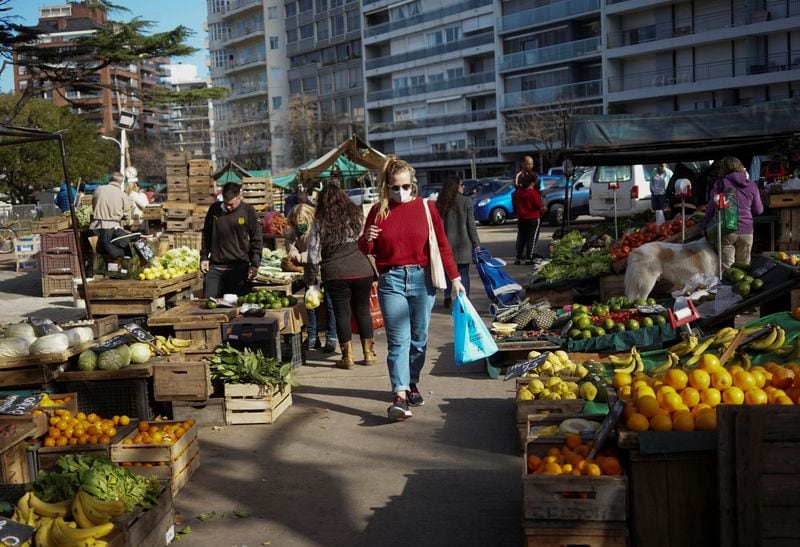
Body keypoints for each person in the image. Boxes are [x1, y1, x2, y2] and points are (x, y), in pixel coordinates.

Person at [359, 156, 464, 422]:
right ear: (387, 186)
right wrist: (366, 239)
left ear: (413, 184)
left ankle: (412, 381)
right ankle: (400, 395)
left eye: (406, 186)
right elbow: (367, 248)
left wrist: (455, 278)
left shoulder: (427, 208)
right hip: (391, 280)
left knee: (419, 339)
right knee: (398, 342)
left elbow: (442, 245)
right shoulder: (378, 211)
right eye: (395, 187)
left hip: (421, 279)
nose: (401, 192)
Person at [307, 183, 376, 369]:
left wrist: (312, 279)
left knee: (342, 314)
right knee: (363, 311)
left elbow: (313, 254)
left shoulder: (319, 222)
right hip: (362, 269)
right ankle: (369, 354)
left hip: (335, 272)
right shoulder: (356, 216)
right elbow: (364, 240)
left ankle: (348, 357)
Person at [285, 193, 338, 353]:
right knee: (311, 304)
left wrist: (301, 256)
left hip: (325, 272)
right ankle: (313, 337)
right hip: (310, 274)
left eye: (302, 223)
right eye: (296, 224)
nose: (299, 226)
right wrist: (292, 250)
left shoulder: (318, 229)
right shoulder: (295, 231)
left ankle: (331, 337)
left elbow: (319, 251)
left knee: (329, 305)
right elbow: (289, 241)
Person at [200, 182, 263, 298]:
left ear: (239, 197)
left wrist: (255, 264)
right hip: (216, 267)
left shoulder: (248, 211)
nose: (228, 207)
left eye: (231, 204)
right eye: (226, 203)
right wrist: (204, 257)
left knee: (237, 304)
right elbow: (206, 234)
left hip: (239, 268)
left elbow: (257, 239)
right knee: (209, 301)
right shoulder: (214, 209)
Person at [701, 156, 764, 268]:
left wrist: (705, 226)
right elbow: (758, 210)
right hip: (746, 231)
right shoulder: (752, 185)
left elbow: (711, 208)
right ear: (741, 167)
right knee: (744, 267)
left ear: (723, 169)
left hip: (727, 230)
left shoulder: (720, 184)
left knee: (727, 269)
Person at [436, 175, 481, 308]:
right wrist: (476, 243)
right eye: (461, 185)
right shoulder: (466, 201)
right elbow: (471, 225)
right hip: (463, 244)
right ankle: (463, 299)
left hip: (445, 244)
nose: (463, 187)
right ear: (456, 186)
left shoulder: (440, 202)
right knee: (463, 273)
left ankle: (447, 297)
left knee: (448, 272)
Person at [89, 172, 134, 259]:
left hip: (95, 227)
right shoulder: (122, 194)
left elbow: (94, 206)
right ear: (121, 182)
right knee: (113, 256)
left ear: (110, 179)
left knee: (96, 256)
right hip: (112, 229)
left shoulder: (98, 190)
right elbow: (127, 214)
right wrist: (126, 221)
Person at [511, 173, 543, 265]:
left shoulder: (518, 192)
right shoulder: (533, 193)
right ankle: (529, 258)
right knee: (531, 239)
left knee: (522, 238)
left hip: (521, 218)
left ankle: (518, 258)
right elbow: (538, 205)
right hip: (533, 218)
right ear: (531, 183)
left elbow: (515, 203)